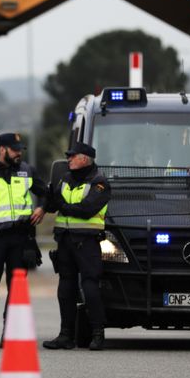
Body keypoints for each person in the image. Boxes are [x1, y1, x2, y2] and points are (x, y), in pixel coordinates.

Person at [0, 133, 47, 349]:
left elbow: (46, 193)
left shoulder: (27, 171)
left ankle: (8, 333)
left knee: (16, 288)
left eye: (20, 149)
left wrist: (42, 207)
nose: (19, 153)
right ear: (2, 149)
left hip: (20, 238)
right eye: (15, 149)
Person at [43, 142, 111, 351]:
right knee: (65, 289)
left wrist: (62, 205)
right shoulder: (64, 179)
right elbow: (53, 202)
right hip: (65, 241)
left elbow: (87, 209)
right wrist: (48, 198)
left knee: (90, 288)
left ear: (84, 159)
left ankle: (98, 334)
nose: (69, 159)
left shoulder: (99, 183)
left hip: (87, 242)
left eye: (73, 156)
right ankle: (66, 335)